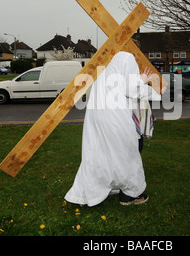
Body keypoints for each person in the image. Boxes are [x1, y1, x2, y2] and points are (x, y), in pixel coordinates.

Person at [65, 51, 162, 207]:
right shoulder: (127, 56)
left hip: (97, 112)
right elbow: (131, 90)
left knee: (100, 152)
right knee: (127, 152)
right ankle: (129, 195)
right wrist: (143, 80)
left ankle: (92, 191)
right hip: (115, 115)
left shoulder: (105, 57)